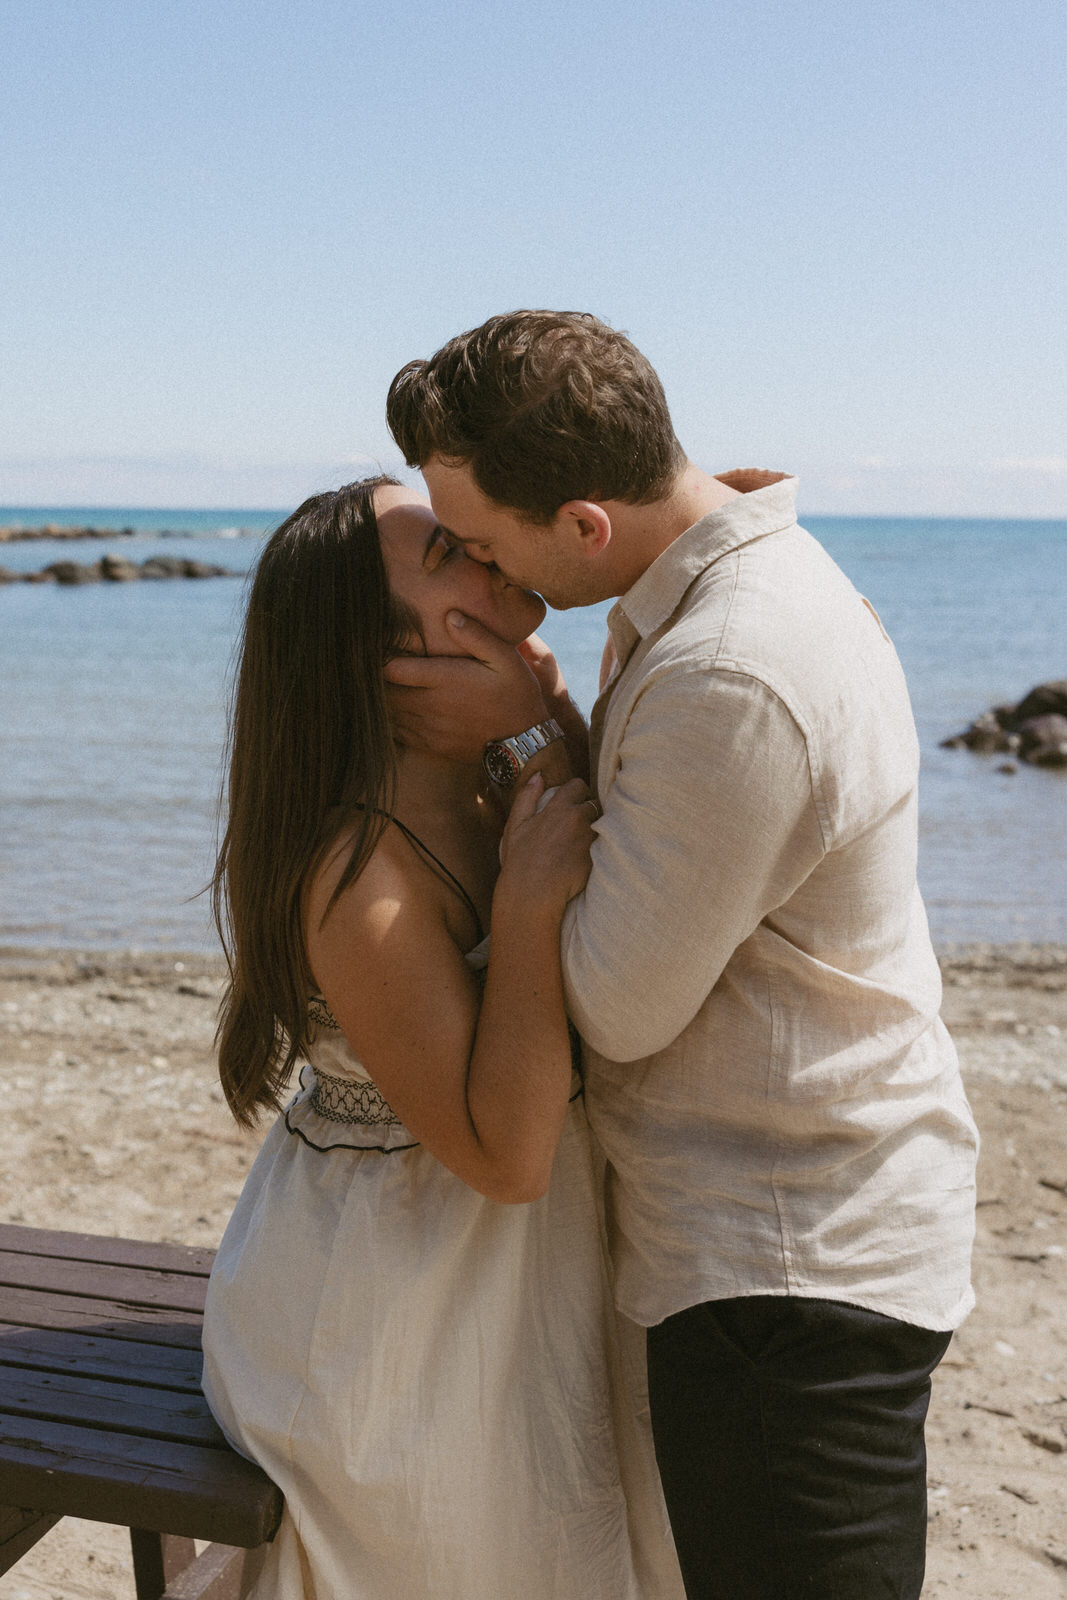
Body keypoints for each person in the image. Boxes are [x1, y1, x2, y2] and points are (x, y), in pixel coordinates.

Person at [384, 310, 980, 1600]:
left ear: (585, 524)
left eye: (488, 545)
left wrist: (536, 737)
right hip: (779, 1238)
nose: (499, 585)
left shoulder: (731, 666)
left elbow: (612, 1004)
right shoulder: (697, 596)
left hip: (788, 1261)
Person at [201, 477, 684, 1600]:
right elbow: (504, 1158)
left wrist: (538, 721)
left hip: (488, 1276)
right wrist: (521, 908)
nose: (483, 546)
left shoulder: (490, 776)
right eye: (448, 554)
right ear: (385, 646)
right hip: (379, 1312)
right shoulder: (360, 874)